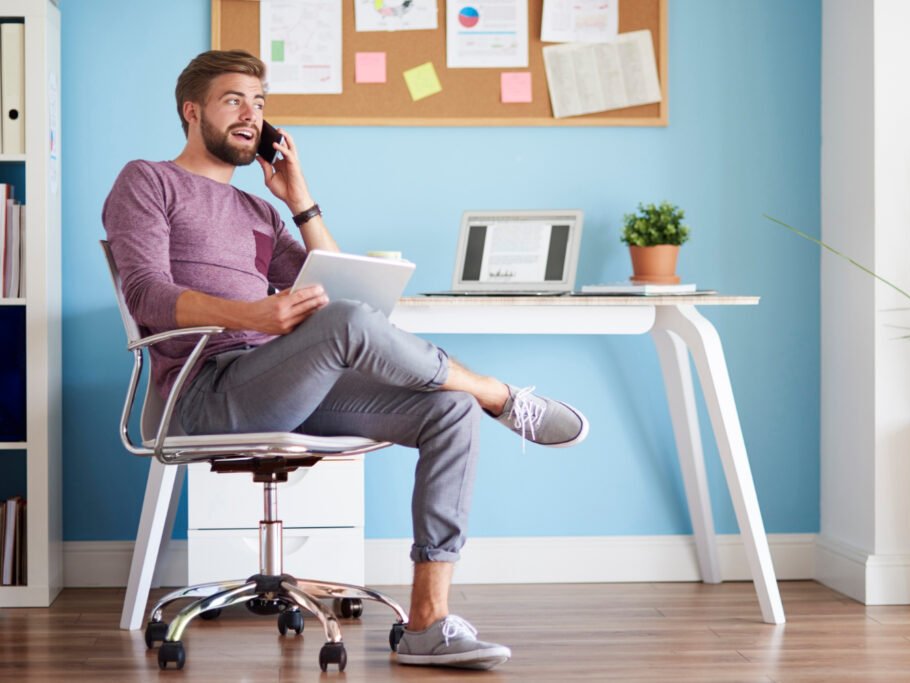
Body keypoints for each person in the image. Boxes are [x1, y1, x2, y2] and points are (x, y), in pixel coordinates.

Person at [102, 49, 588, 671]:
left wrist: (299, 198)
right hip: (204, 393)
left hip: (278, 384)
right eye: (234, 101)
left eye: (260, 103)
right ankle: (501, 394)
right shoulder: (148, 180)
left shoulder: (259, 210)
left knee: (452, 411)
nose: (252, 115)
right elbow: (146, 293)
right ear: (191, 111)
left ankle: (428, 624)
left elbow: (352, 298)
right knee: (354, 328)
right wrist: (254, 315)